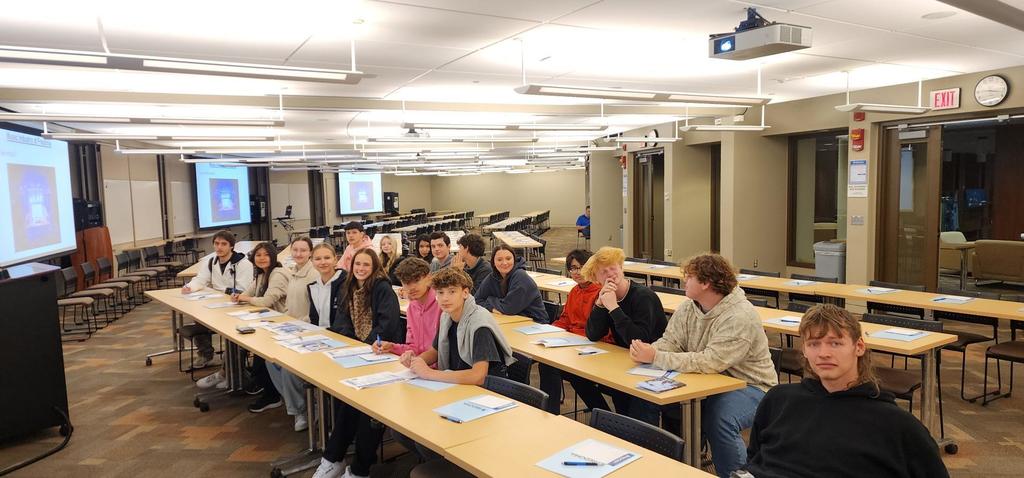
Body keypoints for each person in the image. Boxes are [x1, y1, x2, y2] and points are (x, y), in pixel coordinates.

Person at [741, 304, 949, 478]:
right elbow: (755, 460)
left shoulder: (898, 426)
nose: (823, 354)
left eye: (835, 343)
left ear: (859, 347)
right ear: (804, 350)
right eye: (814, 344)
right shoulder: (779, 400)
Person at [628, 253, 777, 478]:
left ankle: (735, 474)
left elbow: (710, 361)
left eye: (689, 277)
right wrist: (648, 351)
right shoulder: (690, 307)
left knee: (720, 417)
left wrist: (656, 356)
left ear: (706, 283)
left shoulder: (739, 316)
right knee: (645, 395)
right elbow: (672, 341)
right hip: (706, 378)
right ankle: (652, 467)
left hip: (751, 385)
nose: (683, 282)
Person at [396, 267, 515, 462]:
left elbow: (478, 376)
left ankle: (458, 465)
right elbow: (435, 351)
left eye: (452, 291)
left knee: (426, 442)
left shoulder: (479, 323)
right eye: (440, 293)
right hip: (457, 389)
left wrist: (430, 374)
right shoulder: (447, 317)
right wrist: (416, 360)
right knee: (403, 431)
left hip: (486, 396)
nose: (445, 298)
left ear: (465, 292)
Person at [313, 248, 404, 478]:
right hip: (357, 356)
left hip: (383, 356)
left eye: (366, 265)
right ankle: (333, 458)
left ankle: (359, 468)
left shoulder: (382, 288)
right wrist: (355, 346)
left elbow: (387, 325)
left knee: (367, 412)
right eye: (357, 265)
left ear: (374, 267)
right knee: (348, 404)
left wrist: (365, 345)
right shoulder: (349, 287)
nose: (361, 269)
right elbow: (342, 321)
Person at [583, 246, 666, 421]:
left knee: (636, 411)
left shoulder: (643, 297)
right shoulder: (606, 296)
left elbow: (639, 340)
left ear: (621, 268)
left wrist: (614, 308)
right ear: (596, 279)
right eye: (603, 272)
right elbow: (592, 334)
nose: (610, 274)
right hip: (625, 361)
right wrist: (600, 304)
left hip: (653, 365)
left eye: (613, 268)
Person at [256, 240, 332, 428]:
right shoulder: (294, 273)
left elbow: (314, 312)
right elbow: (291, 305)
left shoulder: (314, 274)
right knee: (270, 360)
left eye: (303, 250)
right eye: (295, 250)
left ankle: (303, 409)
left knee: (289, 368)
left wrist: (301, 327)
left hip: (308, 331)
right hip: (293, 328)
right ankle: (299, 404)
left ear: (310, 253)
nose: (298, 254)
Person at [538, 249, 614, 414]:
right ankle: (550, 413)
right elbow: (565, 319)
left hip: (595, 346)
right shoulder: (575, 291)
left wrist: (571, 336)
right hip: (573, 344)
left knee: (571, 372)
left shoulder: (601, 292)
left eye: (581, 267)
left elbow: (601, 332)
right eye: (572, 268)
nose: (576, 272)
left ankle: (601, 413)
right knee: (547, 363)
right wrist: (550, 331)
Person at [230, 242, 290, 413]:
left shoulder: (277, 274)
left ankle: (272, 394)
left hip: (283, 324)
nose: (262, 258)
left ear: (273, 256)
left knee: (261, 355)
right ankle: (263, 384)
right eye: (258, 255)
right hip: (267, 322)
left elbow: (265, 301)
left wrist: (244, 299)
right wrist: (239, 296)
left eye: (265, 255)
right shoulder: (262, 274)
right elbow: (248, 293)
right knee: (253, 348)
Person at [181, 230, 253, 368]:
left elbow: (242, 289)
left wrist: (219, 291)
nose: (219, 247)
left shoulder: (244, 264)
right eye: (216, 243)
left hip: (237, 305)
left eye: (223, 244)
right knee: (199, 317)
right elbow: (201, 279)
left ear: (231, 246)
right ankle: (205, 354)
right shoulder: (211, 261)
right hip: (217, 303)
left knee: (232, 328)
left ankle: (233, 363)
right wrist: (189, 287)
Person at [373, 257, 439, 358]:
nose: (411, 287)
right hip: (418, 367)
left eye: (416, 280)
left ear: (429, 278)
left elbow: (443, 350)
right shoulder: (412, 308)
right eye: (406, 282)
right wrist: (391, 347)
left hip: (439, 370)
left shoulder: (442, 305)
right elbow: (414, 348)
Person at [473, 244, 547, 323]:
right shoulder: (492, 277)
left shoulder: (520, 276)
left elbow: (508, 308)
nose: (504, 263)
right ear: (493, 262)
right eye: (499, 259)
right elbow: (476, 300)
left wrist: (490, 300)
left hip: (536, 323)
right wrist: (492, 308)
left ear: (514, 260)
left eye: (508, 259)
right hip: (510, 320)